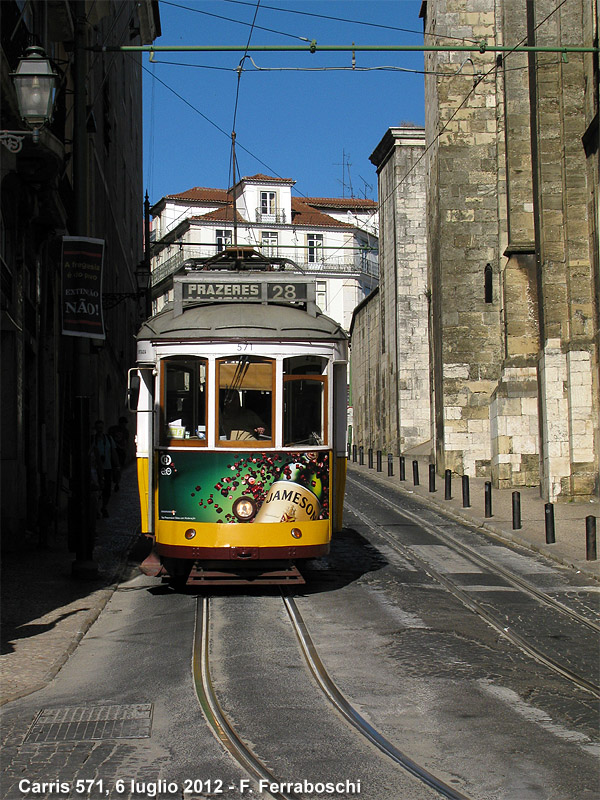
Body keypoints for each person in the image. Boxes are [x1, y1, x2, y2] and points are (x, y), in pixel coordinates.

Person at [91, 420, 119, 517]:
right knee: (97, 490)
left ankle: (104, 507)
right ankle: (97, 509)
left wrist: (117, 466)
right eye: (98, 428)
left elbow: (113, 452)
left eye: (101, 428)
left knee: (107, 489)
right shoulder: (92, 440)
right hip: (95, 469)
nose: (100, 430)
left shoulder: (108, 439)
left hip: (107, 468)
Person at [108, 416, 129, 489]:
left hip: (120, 451)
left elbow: (126, 442)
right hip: (116, 451)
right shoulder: (116, 430)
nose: (124, 425)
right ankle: (116, 481)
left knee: (118, 466)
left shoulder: (123, 431)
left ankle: (116, 481)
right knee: (116, 466)